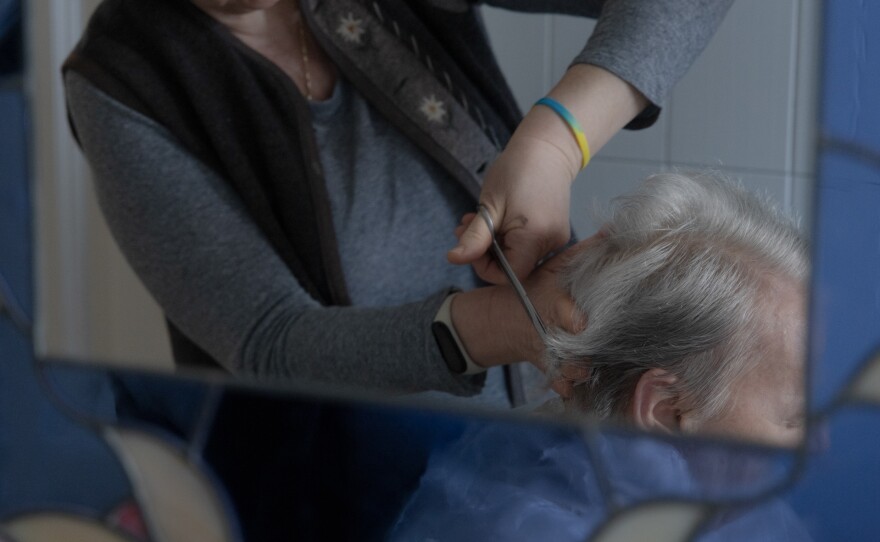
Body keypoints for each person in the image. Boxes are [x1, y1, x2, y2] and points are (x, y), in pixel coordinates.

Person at [62, 0, 733, 407]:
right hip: (339, 484)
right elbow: (268, 343)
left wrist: (557, 139)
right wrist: (501, 327)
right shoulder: (122, 79)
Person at [389, 171, 810, 541]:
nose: (823, 437)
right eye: (797, 416)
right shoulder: (507, 525)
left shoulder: (743, 502)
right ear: (666, 410)